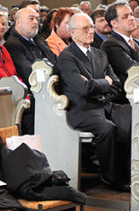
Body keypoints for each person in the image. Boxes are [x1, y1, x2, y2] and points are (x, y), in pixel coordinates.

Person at [55, 12, 131, 192]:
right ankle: (111, 178)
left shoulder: (99, 53)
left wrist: (99, 90)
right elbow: (83, 89)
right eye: (85, 28)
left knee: (133, 117)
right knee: (107, 128)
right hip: (82, 109)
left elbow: (117, 85)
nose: (91, 32)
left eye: (92, 27)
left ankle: (130, 173)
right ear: (72, 33)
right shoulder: (67, 57)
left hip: (104, 103)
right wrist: (104, 82)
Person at [102, 0, 139, 90]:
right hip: (126, 97)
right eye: (125, 17)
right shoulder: (110, 44)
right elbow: (133, 69)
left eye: (131, 14)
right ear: (114, 23)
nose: (132, 18)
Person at [4, 6, 54, 84]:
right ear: (18, 22)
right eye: (31, 18)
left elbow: (54, 60)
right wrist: (52, 75)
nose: (35, 22)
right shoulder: (12, 45)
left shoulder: (38, 39)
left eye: (37, 19)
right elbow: (29, 72)